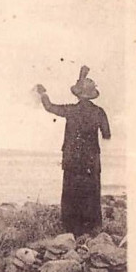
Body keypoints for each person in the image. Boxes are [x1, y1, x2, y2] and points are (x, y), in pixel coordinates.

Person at [35, 66, 111, 236]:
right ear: (92, 94)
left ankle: (70, 230)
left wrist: (43, 93)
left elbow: (49, 107)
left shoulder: (71, 110)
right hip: (92, 161)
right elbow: (107, 135)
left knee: (71, 193)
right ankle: (92, 230)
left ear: (77, 94)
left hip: (72, 159)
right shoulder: (99, 112)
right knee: (91, 193)